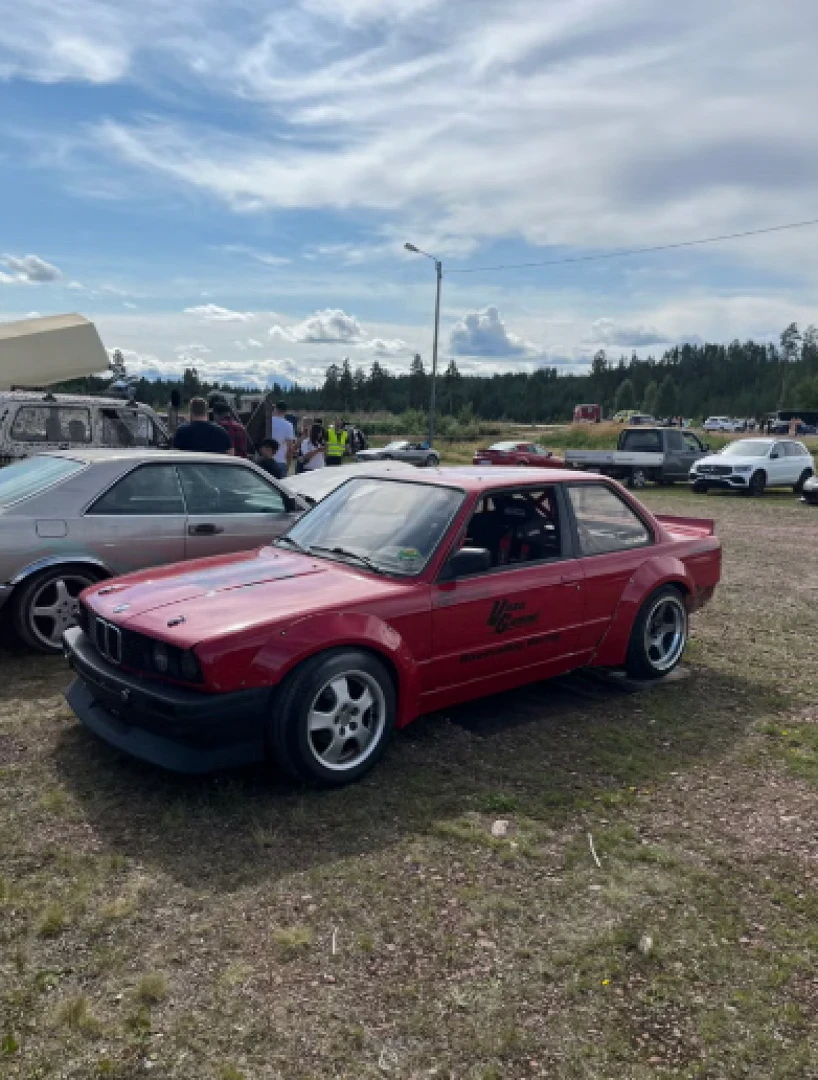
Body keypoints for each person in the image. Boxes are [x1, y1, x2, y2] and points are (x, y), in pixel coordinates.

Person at [269, 400, 295, 479]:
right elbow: (290, 448)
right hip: (280, 461)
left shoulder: (267, 422)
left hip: (266, 460)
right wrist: (288, 465)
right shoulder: (288, 425)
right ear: (285, 411)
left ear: (275, 409)